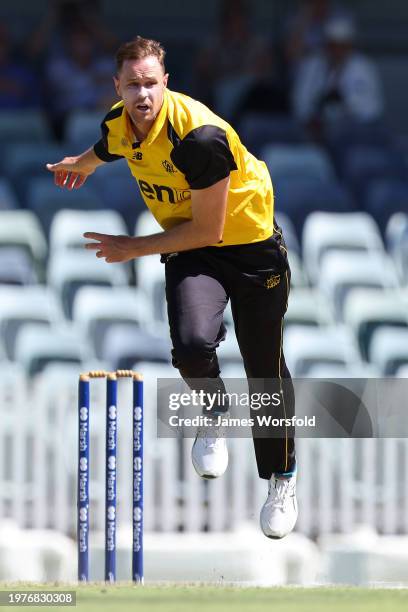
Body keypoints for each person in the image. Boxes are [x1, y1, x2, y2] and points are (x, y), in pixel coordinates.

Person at [46, 36, 297, 539]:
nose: (142, 95)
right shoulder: (119, 122)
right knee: (190, 348)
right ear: (116, 86)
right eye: (132, 84)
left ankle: (281, 478)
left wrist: (128, 247)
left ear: (167, 84)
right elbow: (110, 147)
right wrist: (82, 164)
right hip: (196, 247)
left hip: (249, 247)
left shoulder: (198, 136)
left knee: (262, 369)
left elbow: (210, 229)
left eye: (151, 84)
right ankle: (215, 411)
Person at [292, 16, 384, 140]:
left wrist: (345, 101)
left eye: (342, 46)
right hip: (316, 126)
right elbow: (300, 101)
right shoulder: (313, 65)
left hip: (355, 127)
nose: (337, 51)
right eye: (333, 46)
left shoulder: (363, 67)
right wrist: (313, 113)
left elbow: (371, 109)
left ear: (350, 46)